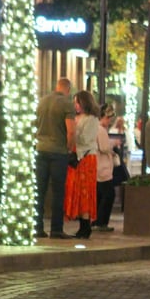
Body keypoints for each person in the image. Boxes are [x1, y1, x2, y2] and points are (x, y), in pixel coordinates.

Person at [35, 77, 76, 239]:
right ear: (68, 89)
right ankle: (56, 229)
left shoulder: (42, 101)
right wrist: (69, 148)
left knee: (40, 190)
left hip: (40, 149)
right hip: (58, 151)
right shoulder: (67, 103)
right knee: (58, 191)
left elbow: (35, 124)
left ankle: (37, 227)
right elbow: (71, 131)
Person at [64, 90, 100, 239]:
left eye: (77, 102)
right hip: (77, 157)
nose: (75, 105)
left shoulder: (91, 119)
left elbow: (86, 139)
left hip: (85, 158)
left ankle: (85, 225)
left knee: (85, 190)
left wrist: (73, 134)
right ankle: (82, 224)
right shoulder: (77, 118)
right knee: (77, 190)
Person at [93, 104, 118, 232]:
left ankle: (96, 221)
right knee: (108, 194)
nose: (109, 121)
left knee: (100, 195)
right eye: (108, 118)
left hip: (97, 166)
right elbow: (104, 148)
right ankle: (101, 222)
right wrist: (112, 145)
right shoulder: (101, 130)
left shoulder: (94, 128)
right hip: (103, 167)